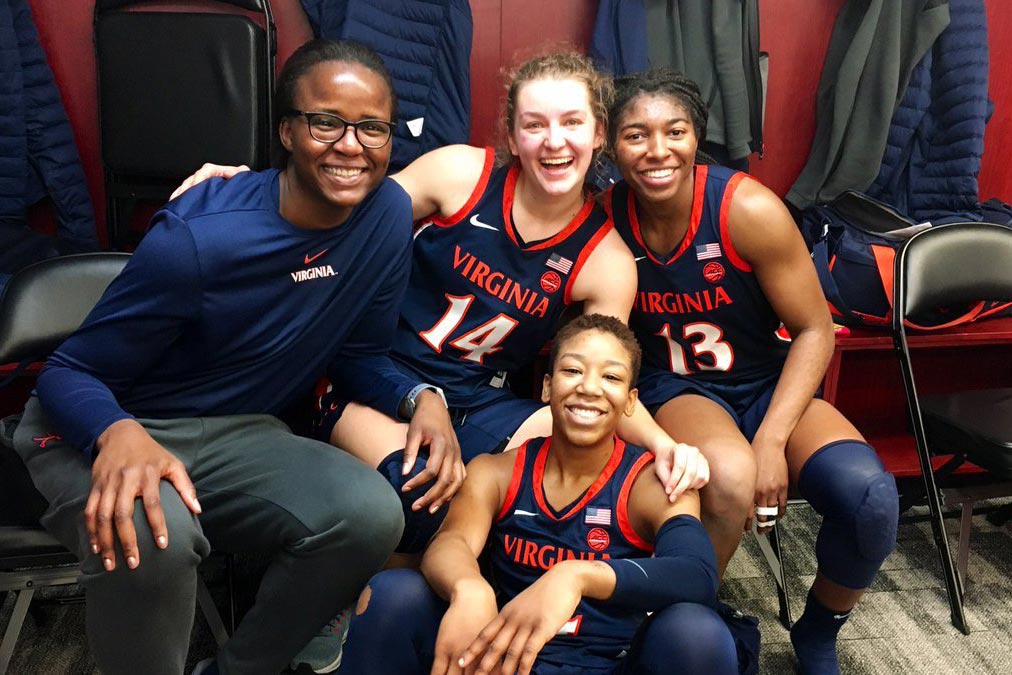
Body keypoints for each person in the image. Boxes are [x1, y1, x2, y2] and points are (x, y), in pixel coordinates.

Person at [11, 39, 457, 675]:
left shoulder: (384, 216)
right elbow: (69, 371)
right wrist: (119, 434)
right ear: (286, 131)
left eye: (372, 127)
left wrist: (422, 399)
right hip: (99, 422)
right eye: (326, 121)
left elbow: (359, 357)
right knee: (149, 534)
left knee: (368, 513)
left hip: (234, 431)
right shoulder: (198, 239)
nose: (351, 145)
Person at [175, 52, 710, 556]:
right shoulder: (460, 176)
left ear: (599, 134)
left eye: (572, 123)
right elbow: (339, 210)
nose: (554, 142)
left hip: (480, 398)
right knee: (423, 495)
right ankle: (349, 595)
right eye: (534, 124)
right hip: (374, 372)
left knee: (588, 473)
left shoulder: (606, 260)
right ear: (512, 134)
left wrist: (665, 445)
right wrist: (252, 190)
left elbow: (598, 381)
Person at [603, 69, 899, 674]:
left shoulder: (747, 209)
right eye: (636, 135)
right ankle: (687, 622)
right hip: (680, 384)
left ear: (697, 138)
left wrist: (771, 440)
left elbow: (817, 330)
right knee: (729, 476)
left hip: (766, 383)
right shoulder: (604, 216)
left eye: (675, 131)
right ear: (612, 146)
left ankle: (817, 632)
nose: (657, 150)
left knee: (870, 498)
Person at [338, 313, 739, 675]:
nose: (589, 388)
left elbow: (697, 574)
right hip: (504, 657)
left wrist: (578, 576)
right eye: (572, 370)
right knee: (395, 593)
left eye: (612, 378)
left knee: (697, 632)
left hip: (608, 662)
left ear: (632, 402)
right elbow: (452, 542)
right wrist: (469, 588)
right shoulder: (497, 471)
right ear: (547, 388)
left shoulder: (652, 483)